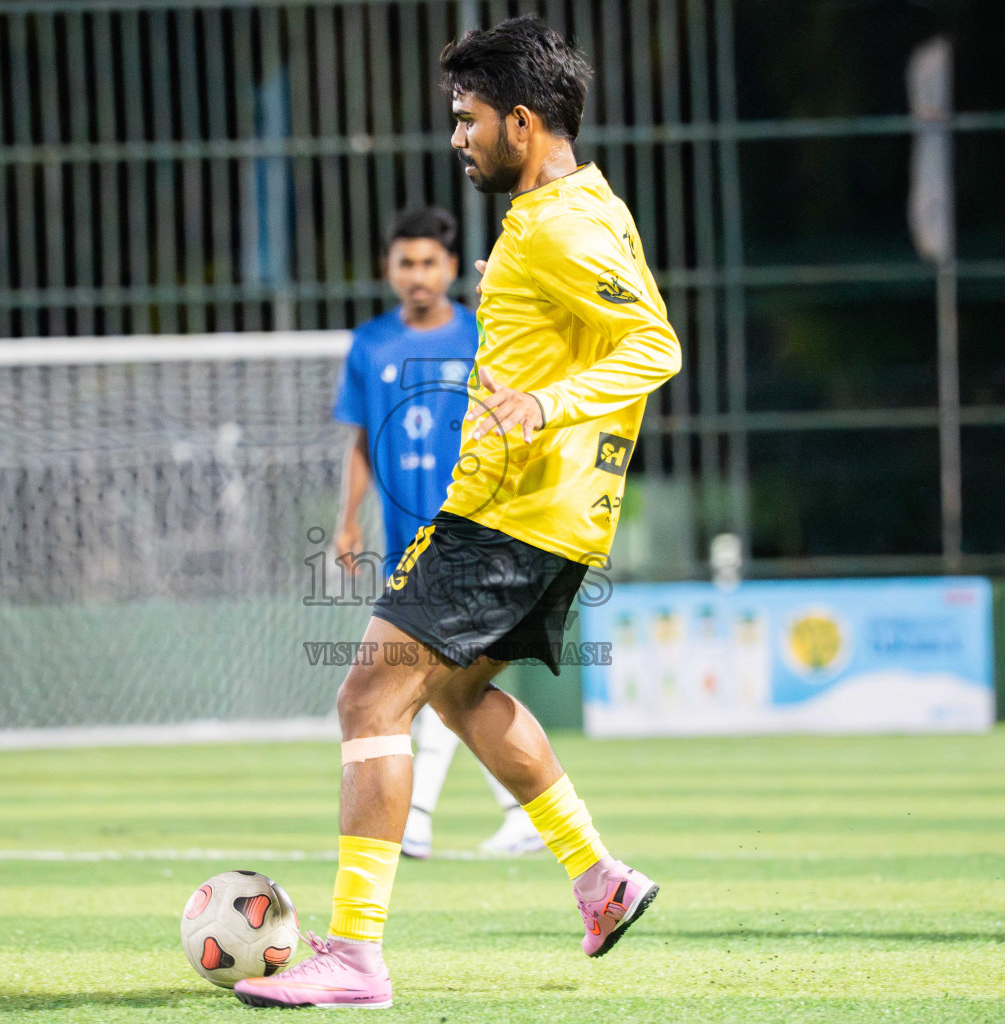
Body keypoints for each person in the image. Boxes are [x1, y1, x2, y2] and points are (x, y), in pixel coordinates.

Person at [236, 16, 680, 1008]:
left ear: (522, 122)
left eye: (468, 118)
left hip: (507, 514)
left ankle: (355, 957)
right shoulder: (573, 209)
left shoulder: (561, 225)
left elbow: (654, 343)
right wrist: (513, 301)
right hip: (544, 517)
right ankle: (599, 880)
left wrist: (545, 403)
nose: (458, 137)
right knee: (456, 695)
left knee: (368, 700)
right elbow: (575, 318)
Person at [331, 205, 545, 861]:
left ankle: (417, 818)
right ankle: (524, 816)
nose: (418, 274)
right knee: (443, 683)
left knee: (422, 676)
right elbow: (361, 439)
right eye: (407, 262)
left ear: (451, 266)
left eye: (429, 262)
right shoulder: (370, 345)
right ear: (389, 269)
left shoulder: (485, 336)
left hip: (472, 532)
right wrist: (347, 520)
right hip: (405, 539)